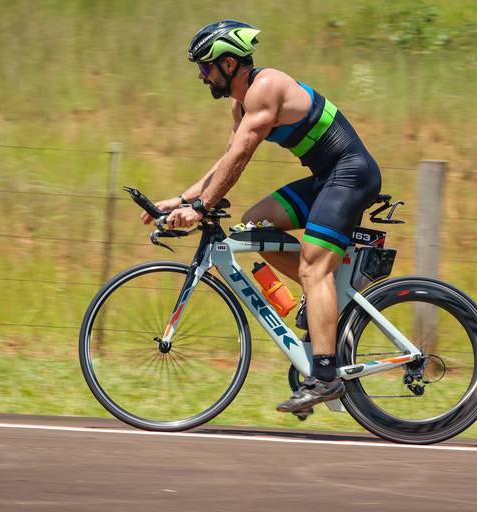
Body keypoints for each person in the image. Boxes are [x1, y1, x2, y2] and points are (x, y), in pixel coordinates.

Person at [141, 20, 382, 414]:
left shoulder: (266, 86)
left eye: (205, 67)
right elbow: (226, 159)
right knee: (254, 228)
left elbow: (242, 154)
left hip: (351, 175)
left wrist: (200, 209)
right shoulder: (241, 104)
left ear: (229, 64)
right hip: (326, 178)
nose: (201, 76)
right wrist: (182, 198)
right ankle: (320, 300)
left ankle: (325, 377)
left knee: (314, 267)